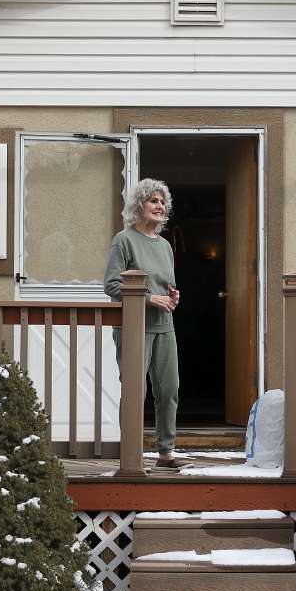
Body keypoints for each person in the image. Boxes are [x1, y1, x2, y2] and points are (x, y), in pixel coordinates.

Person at [103, 179, 184, 469]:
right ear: (139, 206)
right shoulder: (123, 240)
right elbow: (111, 285)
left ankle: (166, 453)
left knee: (169, 389)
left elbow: (166, 285)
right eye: (153, 201)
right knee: (136, 391)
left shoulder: (164, 245)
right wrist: (150, 299)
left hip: (165, 325)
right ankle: (132, 454)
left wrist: (172, 297)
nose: (160, 206)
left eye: (163, 202)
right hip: (134, 328)